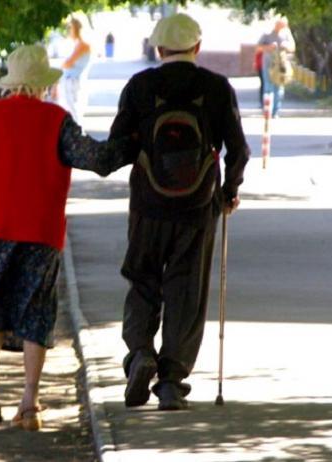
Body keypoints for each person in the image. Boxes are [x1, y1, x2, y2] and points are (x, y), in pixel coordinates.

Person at [0, 45, 133, 430]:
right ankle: (30, 405)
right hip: (42, 232)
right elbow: (97, 160)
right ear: (43, 85)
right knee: (36, 311)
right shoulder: (57, 120)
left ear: (11, 83)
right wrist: (131, 141)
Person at [108, 13, 250, 411]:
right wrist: (228, 192)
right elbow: (238, 150)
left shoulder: (140, 86)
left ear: (158, 49)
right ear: (197, 48)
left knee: (142, 279)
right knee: (187, 291)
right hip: (197, 206)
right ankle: (170, 381)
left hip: (148, 206)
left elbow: (118, 146)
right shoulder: (216, 88)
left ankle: (139, 354)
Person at [257, 17, 296, 118]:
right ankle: (267, 111)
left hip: (281, 66)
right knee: (268, 88)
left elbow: (293, 47)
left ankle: (275, 112)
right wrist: (269, 47)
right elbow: (258, 48)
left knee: (279, 89)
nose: (282, 27)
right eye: (280, 25)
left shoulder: (287, 33)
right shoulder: (267, 33)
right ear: (276, 24)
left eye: (284, 25)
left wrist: (286, 46)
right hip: (268, 65)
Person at [60, 18, 91, 124]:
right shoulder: (77, 45)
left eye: (70, 28)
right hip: (71, 79)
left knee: (73, 111)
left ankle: (76, 135)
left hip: (73, 81)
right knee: (70, 110)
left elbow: (67, 63)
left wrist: (64, 63)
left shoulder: (82, 45)